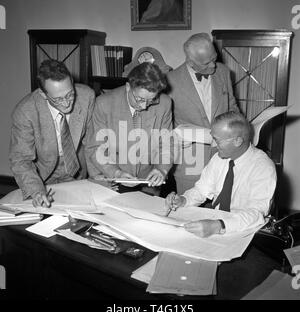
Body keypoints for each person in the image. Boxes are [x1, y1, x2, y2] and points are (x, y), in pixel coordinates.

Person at [165, 111, 277, 237]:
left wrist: (219, 225)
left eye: (217, 141)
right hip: (216, 223)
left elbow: (256, 213)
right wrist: (183, 200)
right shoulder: (219, 159)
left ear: (237, 141)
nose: (213, 144)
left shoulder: (263, 167)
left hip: (245, 231)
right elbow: (201, 190)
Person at [9, 59, 95, 207]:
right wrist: (36, 191)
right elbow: (21, 159)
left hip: (77, 174)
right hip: (41, 176)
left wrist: (99, 179)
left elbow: (92, 143)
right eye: (58, 99)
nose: (67, 103)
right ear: (43, 94)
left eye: (70, 94)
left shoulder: (87, 96)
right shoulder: (25, 111)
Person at [167, 33, 239, 194]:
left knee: (221, 211)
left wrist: (242, 130)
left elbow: (232, 107)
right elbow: (164, 123)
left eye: (214, 58)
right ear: (190, 62)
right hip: (190, 161)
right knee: (189, 212)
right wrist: (177, 137)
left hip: (223, 158)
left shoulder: (224, 72)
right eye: (207, 63)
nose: (214, 66)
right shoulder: (169, 81)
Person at [85, 62, 173, 193]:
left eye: (151, 100)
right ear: (128, 87)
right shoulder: (104, 103)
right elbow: (95, 147)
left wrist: (161, 169)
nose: (144, 106)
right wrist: (116, 173)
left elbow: (167, 144)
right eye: (139, 99)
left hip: (147, 180)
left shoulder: (165, 103)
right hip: (110, 177)